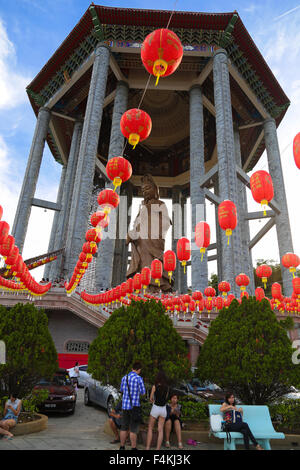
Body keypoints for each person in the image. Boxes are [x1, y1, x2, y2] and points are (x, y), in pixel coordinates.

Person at [119, 361, 146, 451]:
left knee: (124, 427)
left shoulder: (124, 377)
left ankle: (122, 446)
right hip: (135, 407)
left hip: (125, 406)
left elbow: (121, 389)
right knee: (133, 428)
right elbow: (143, 393)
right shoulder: (139, 379)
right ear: (139, 370)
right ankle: (133, 447)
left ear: (132, 369)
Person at [146, 370, 170, 450]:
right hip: (163, 409)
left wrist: (153, 401)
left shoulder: (154, 386)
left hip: (155, 408)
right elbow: (166, 398)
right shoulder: (167, 388)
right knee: (160, 430)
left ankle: (147, 447)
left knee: (150, 428)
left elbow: (151, 398)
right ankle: (158, 449)